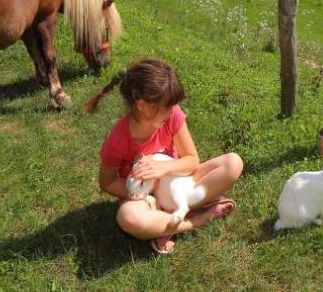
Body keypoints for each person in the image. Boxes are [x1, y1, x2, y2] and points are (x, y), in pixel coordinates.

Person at [87, 58, 243, 254]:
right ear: (142, 105)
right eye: (167, 107)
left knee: (233, 163)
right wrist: (143, 193)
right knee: (128, 218)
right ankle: (195, 219)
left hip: (178, 183)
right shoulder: (118, 139)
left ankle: (167, 221)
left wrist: (165, 168)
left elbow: (192, 160)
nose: (172, 112)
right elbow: (107, 183)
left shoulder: (172, 114)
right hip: (147, 201)